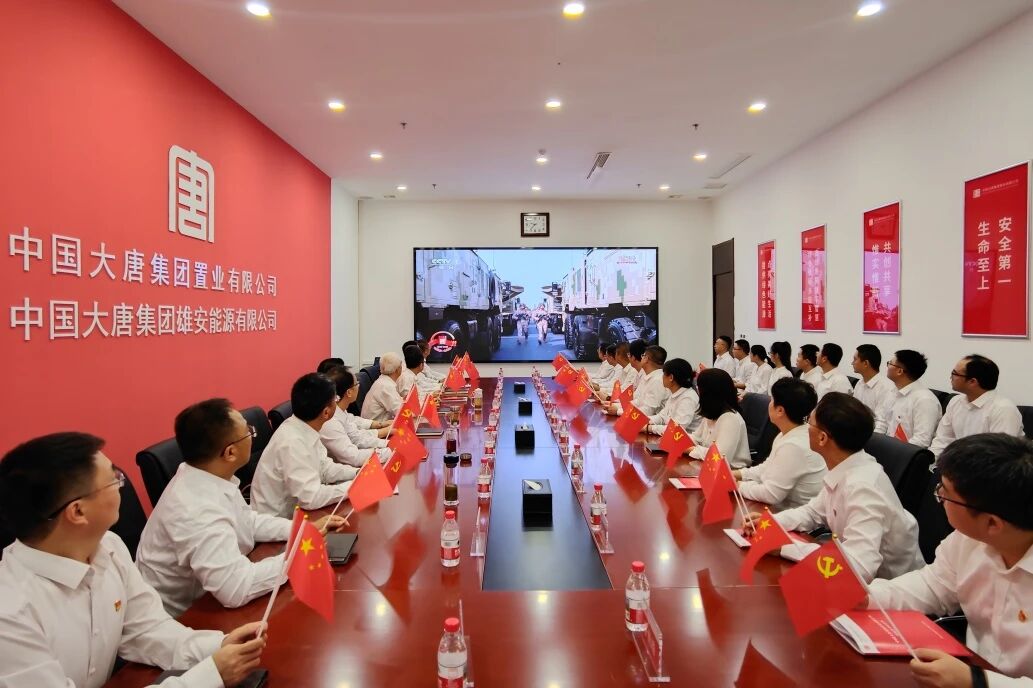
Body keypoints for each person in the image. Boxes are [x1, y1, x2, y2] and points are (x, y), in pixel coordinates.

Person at [0, 432, 266, 687]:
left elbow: (146, 630)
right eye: (113, 480)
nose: (120, 485)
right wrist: (209, 677)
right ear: (78, 511)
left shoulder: (108, 546)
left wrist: (218, 645)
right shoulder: (9, 614)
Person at [137, 399, 346, 617]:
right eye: (248, 432)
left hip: (216, 590)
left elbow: (248, 521)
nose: (252, 436)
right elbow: (237, 588)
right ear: (230, 453)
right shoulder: (195, 509)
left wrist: (302, 529)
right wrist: (301, 554)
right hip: (188, 617)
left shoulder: (208, 476)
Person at [867, 433, 1033, 688]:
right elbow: (933, 586)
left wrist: (977, 681)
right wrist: (864, 595)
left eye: (945, 494)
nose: (939, 497)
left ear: (992, 523)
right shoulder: (969, 539)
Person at [759, 392, 924, 581]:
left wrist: (787, 548)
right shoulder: (846, 465)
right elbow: (812, 513)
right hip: (855, 575)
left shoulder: (863, 487)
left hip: (886, 588)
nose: (805, 428)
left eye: (809, 422)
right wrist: (771, 523)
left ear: (822, 438)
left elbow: (859, 566)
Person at [252, 373, 359, 518]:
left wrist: (357, 474)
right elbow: (311, 498)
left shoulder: (305, 426)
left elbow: (325, 468)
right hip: (280, 523)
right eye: (335, 399)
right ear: (326, 412)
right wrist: (354, 487)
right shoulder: (292, 442)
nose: (337, 402)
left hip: (301, 512)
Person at [734, 378, 826, 510]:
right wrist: (737, 474)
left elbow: (770, 494)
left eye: (772, 400)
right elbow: (767, 468)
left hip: (791, 515)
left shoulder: (794, 446)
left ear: (780, 410)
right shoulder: (790, 432)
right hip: (778, 508)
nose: (769, 404)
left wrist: (737, 485)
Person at [929, 354, 1024, 462]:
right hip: (959, 465)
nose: (951, 377)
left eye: (954, 374)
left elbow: (999, 456)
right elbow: (942, 441)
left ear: (972, 382)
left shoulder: (1003, 409)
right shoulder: (956, 402)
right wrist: (929, 464)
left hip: (992, 469)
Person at [320, 367, 394, 467]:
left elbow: (356, 437)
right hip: (344, 470)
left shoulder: (341, 410)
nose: (359, 386)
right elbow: (353, 457)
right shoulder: (330, 421)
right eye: (357, 383)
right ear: (349, 392)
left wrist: (387, 444)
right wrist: (389, 451)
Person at [686, 368, 751, 469]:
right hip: (707, 466)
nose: (697, 391)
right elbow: (696, 437)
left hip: (730, 472)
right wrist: (680, 441)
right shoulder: (712, 412)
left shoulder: (730, 419)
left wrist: (690, 449)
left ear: (708, 393)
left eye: (699, 388)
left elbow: (720, 457)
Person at [883, 349, 942, 449]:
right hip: (888, 447)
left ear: (899, 371)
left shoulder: (925, 400)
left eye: (890, 363)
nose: (887, 366)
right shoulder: (894, 391)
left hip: (906, 453)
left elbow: (921, 441)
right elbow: (883, 422)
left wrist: (893, 452)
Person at [645, 358, 701, 435]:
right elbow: (662, 417)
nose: (662, 377)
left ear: (671, 377)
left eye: (664, 374)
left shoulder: (688, 398)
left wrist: (649, 428)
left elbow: (676, 429)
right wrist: (642, 421)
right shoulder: (675, 393)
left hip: (686, 440)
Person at [851, 344, 897, 434]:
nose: (852, 363)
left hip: (872, 435)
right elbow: (853, 412)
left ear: (865, 363)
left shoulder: (886, 387)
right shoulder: (860, 383)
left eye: (855, 359)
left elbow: (881, 423)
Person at [613, 345, 670, 416]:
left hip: (651, 420)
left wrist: (618, 411)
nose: (641, 358)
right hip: (641, 417)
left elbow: (648, 410)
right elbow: (638, 401)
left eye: (643, 355)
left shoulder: (658, 380)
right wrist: (616, 406)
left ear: (646, 359)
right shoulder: (647, 376)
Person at [361, 351, 405, 421]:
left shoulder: (382, 381)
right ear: (397, 370)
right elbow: (401, 412)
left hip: (376, 423)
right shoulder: (386, 386)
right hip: (378, 425)